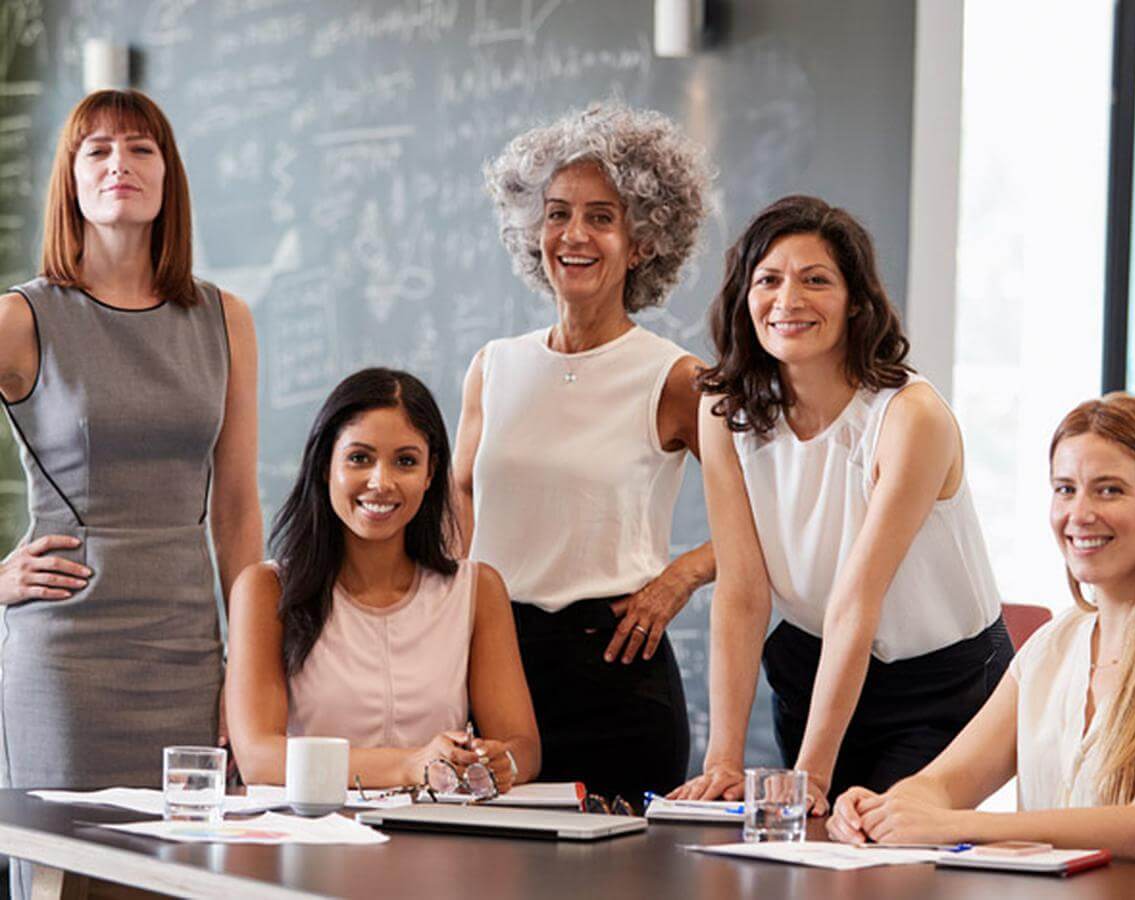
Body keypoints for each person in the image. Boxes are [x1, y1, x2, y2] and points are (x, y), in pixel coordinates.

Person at [670, 195, 1012, 813]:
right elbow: (744, 591)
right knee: (810, 857)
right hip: (813, 664)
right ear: (744, 299)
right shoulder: (726, 410)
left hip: (941, 684)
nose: (788, 301)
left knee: (879, 845)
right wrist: (722, 759)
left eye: (816, 280)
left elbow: (859, 601)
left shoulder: (911, 417)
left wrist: (811, 779)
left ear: (856, 301)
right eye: (768, 280)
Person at [454, 102, 714, 804]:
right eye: (557, 212)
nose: (574, 234)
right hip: (493, 667)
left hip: (617, 675)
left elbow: (765, 518)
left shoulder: (677, 378)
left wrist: (678, 579)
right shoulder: (493, 366)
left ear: (643, 242)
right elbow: (459, 508)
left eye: (602, 216)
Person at [0, 90, 261, 790]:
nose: (122, 163)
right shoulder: (22, 317)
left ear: (168, 176)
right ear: (72, 178)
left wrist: (251, 665)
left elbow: (236, 511)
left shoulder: (225, 319)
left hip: (189, 657)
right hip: (64, 662)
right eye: (100, 148)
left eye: (142, 148)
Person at [828, 393, 1135, 873]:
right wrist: (884, 810)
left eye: (1109, 490)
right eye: (1065, 489)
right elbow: (943, 784)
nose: (1080, 513)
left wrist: (958, 825)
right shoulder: (1053, 647)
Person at [227, 369, 539, 792]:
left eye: (406, 462)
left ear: (430, 476)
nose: (381, 482)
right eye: (359, 458)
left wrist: (500, 763)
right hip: (313, 841)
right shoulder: (265, 589)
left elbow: (523, 747)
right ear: (325, 466)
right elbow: (260, 758)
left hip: (439, 841)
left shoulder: (476, 589)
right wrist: (411, 765)